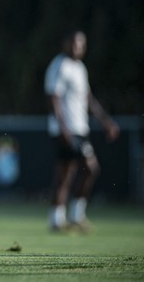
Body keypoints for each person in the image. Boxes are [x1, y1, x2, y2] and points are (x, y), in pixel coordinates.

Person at [44, 29, 119, 232]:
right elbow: (54, 99)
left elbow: (88, 99)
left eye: (80, 44)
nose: (77, 47)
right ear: (65, 44)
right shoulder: (59, 66)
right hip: (67, 130)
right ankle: (72, 216)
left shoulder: (79, 68)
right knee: (88, 168)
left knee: (68, 173)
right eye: (73, 43)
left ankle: (59, 219)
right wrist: (63, 129)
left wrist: (105, 122)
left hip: (79, 127)